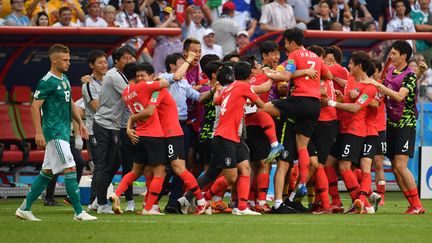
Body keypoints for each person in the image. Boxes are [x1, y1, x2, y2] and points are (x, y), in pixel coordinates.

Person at [15, 44, 97, 221]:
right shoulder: (46, 81)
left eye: (69, 59)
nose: (69, 63)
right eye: (65, 60)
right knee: (70, 167)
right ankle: (78, 212)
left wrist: (79, 123)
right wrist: (39, 132)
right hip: (54, 133)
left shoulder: (64, 79)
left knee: (47, 172)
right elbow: (35, 107)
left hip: (63, 132)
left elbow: (70, 104)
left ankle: (24, 208)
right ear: (54, 60)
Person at [262, 27, 333, 202]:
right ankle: (301, 184)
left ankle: (274, 144)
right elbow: (328, 75)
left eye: (286, 43)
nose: (285, 47)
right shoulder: (315, 57)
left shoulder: (294, 55)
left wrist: (270, 73)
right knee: (302, 148)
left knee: (262, 108)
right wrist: (311, 78)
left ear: (292, 42)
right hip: (315, 105)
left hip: (299, 101)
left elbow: (285, 76)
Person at [365, 40, 426, 214]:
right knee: (394, 166)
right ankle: (413, 204)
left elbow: (399, 96)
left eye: (393, 53)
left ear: (403, 56)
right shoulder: (391, 70)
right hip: (391, 123)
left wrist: (379, 85)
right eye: (390, 53)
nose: (390, 56)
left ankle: (417, 205)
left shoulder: (410, 74)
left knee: (400, 165)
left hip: (405, 124)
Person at [201, 61, 265, 215]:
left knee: (245, 169)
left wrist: (217, 90)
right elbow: (261, 104)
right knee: (231, 177)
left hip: (234, 137)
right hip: (225, 137)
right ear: (250, 76)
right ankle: (206, 198)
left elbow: (216, 100)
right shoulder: (244, 87)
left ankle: (242, 208)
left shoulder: (228, 87)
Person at [110, 63, 169, 215]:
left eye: (142, 76)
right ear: (135, 77)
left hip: (138, 134)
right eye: (139, 76)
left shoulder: (125, 92)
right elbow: (166, 83)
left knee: (135, 171)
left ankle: (116, 194)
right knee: (159, 174)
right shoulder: (144, 87)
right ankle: (149, 208)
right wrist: (154, 80)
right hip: (154, 135)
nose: (141, 78)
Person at [92, 45, 135, 214]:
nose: (130, 60)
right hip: (104, 124)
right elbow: (131, 95)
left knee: (113, 163)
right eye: (125, 58)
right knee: (104, 165)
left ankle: (97, 200)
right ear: (116, 61)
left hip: (113, 125)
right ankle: (101, 204)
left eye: (132, 58)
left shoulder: (121, 75)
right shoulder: (114, 76)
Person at [81, 50, 108, 211]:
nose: (104, 65)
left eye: (105, 62)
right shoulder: (88, 84)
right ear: (92, 65)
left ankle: (99, 199)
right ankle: (94, 200)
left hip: (109, 128)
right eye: (100, 62)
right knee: (100, 165)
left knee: (107, 165)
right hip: (95, 130)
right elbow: (96, 107)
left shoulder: (109, 80)